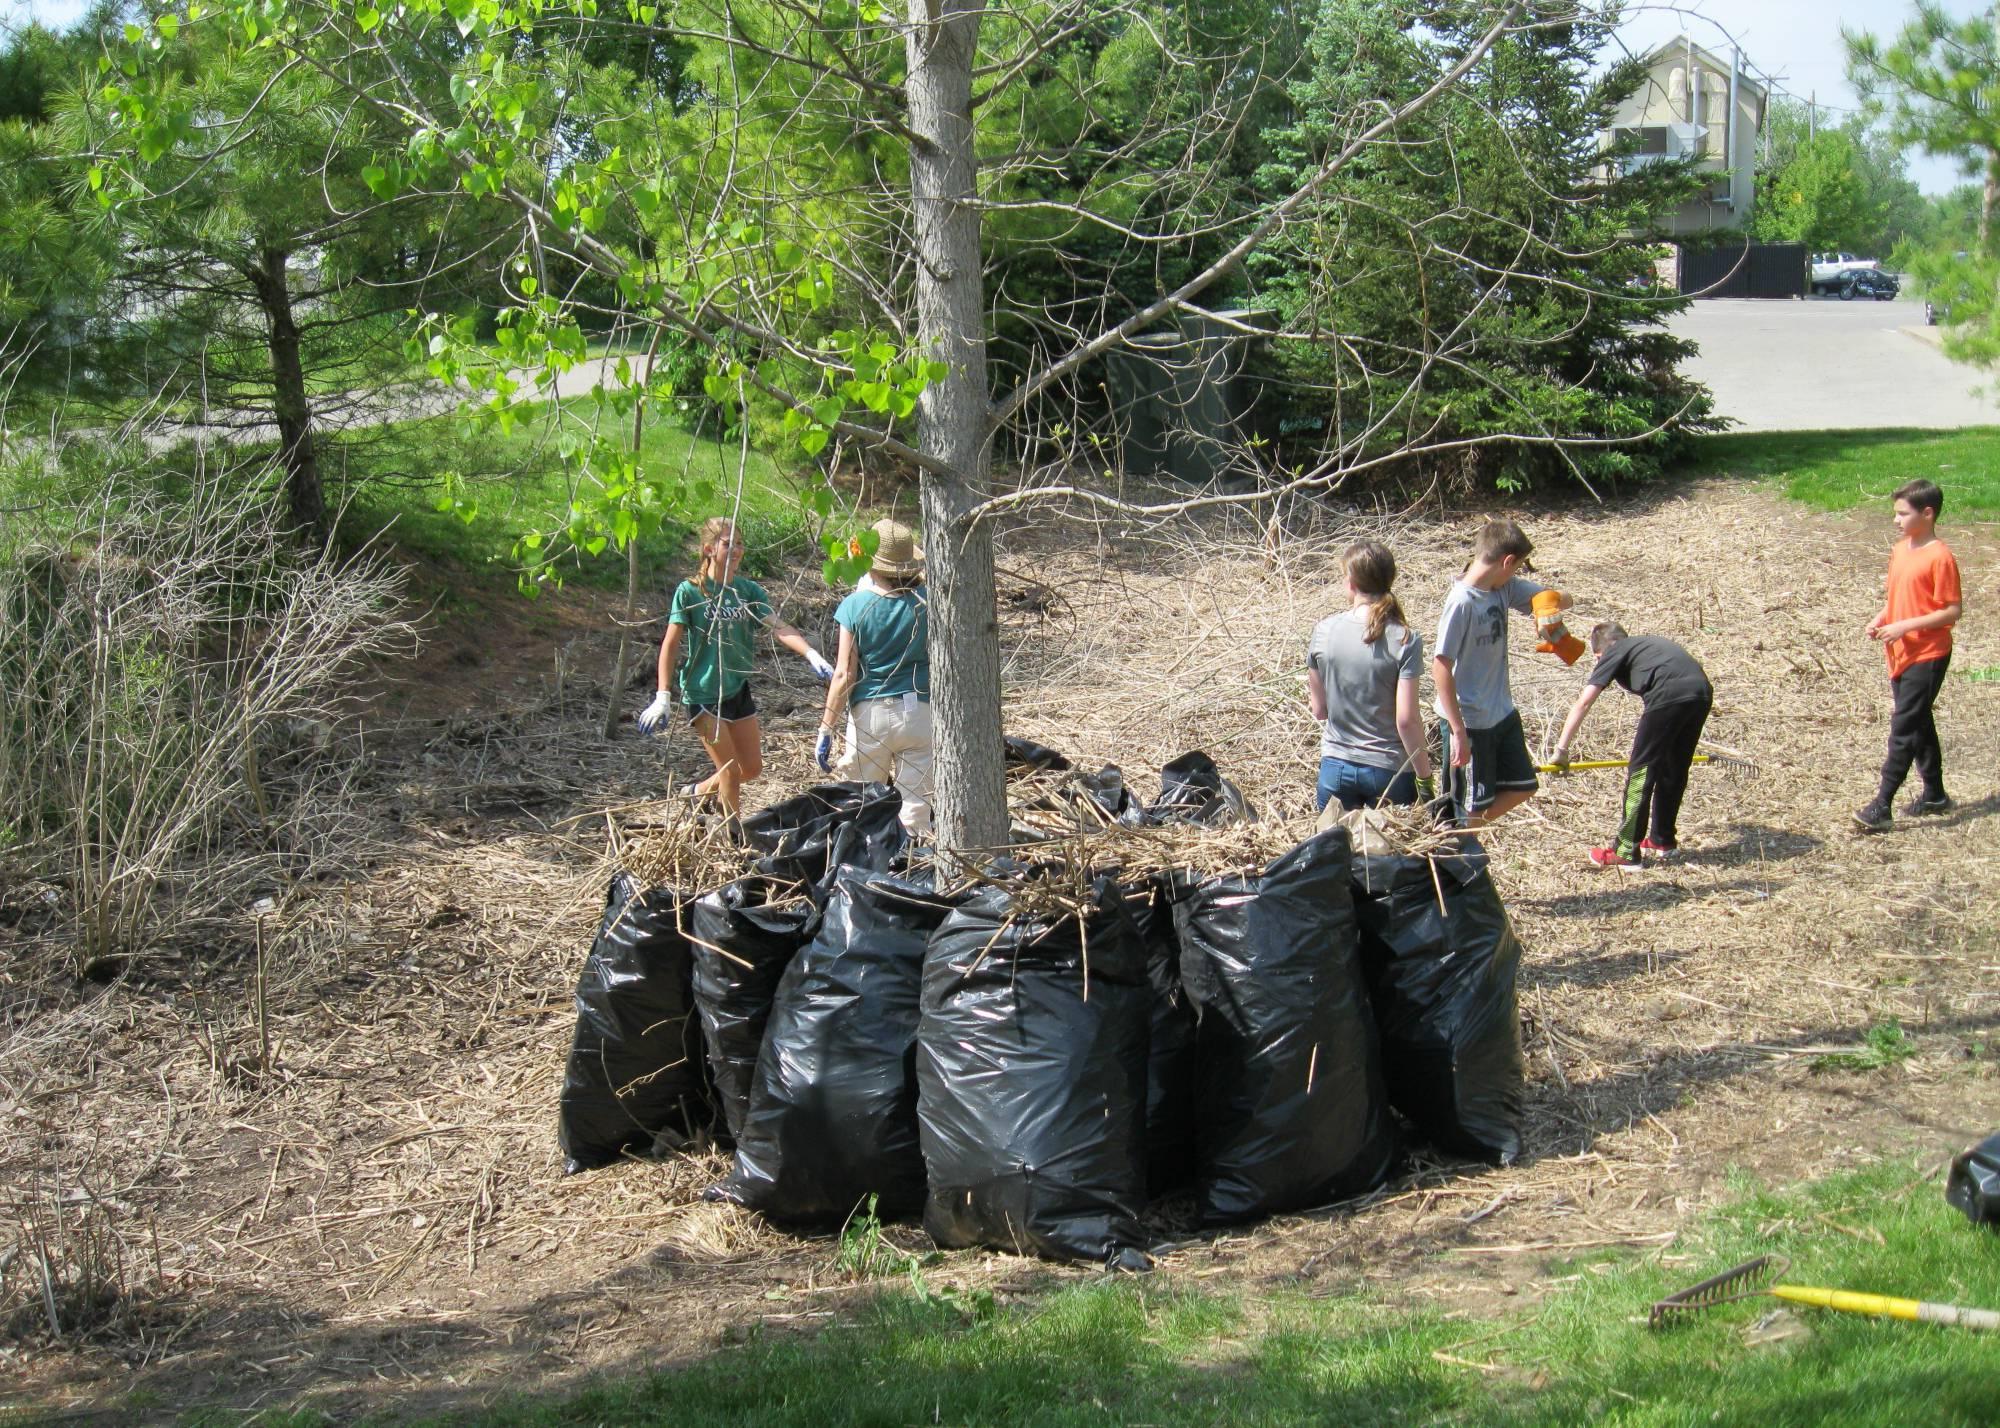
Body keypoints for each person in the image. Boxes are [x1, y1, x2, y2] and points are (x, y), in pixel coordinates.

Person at [636, 517, 834, 821]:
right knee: (729, 772)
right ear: (708, 548)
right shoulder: (691, 591)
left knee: (751, 769)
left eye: (740, 543)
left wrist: (811, 654)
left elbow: (778, 626)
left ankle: (698, 792)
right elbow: (671, 644)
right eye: (729, 543)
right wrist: (663, 696)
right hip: (703, 693)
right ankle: (733, 841)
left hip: (736, 689)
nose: (737, 550)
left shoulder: (747, 591)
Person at [1433, 518, 1569, 828]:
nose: (1517, 574)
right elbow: (1440, 666)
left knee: (1524, 785)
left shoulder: (1503, 589)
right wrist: (1458, 731)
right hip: (1471, 722)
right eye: (1518, 567)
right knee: (1465, 803)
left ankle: (1460, 833)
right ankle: (1454, 843)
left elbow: (1560, 598)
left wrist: (1548, 609)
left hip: (1502, 712)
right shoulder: (1461, 602)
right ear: (1507, 561)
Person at [1550, 623, 1713, 869]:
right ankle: (1662, 840)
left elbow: (1584, 703)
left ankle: (1626, 851)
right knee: (1674, 769)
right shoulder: (1646, 644)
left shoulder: (1613, 651)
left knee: (1641, 773)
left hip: (1668, 695)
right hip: (1700, 692)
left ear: (1599, 654)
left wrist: (1561, 750)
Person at [1855, 479, 1963, 832]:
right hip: (1900, 651)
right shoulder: (1902, 549)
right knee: (1918, 721)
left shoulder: (1940, 557)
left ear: (1927, 513)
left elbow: (1951, 611)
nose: (1896, 520)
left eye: (1903, 514)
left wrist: (1905, 627)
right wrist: (1883, 618)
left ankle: (1881, 805)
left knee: (1904, 726)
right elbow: (1899, 596)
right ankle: (1934, 794)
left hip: (1927, 654)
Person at [817, 519, 933, 837]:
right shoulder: (929, 602)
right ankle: (913, 873)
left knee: (864, 808)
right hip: (920, 713)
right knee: (915, 813)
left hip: (871, 715)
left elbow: (844, 673)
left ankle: (866, 873)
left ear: (870, 562)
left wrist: (826, 727)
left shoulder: (854, 606)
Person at [1305, 540, 1435, 812]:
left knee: (1334, 851)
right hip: (1389, 772)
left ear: (1350, 582)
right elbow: (1407, 720)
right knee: (1391, 853)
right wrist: (1424, 778)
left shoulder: (1324, 631)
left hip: (1335, 767)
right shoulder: (1406, 639)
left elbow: (1319, 710)